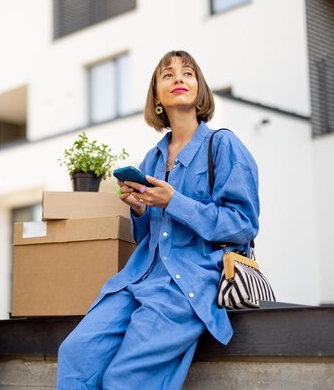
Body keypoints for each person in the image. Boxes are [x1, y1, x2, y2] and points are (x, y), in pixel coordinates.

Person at [56, 50, 260, 389]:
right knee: (75, 354)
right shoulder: (152, 158)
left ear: (200, 89)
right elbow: (151, 237)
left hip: (189, 283)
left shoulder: (223, 145)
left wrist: (174, 202)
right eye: (167, 75)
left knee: (124, 379)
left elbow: (243, 224)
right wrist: (139, 209)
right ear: (157, 97)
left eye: (188, 73)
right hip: (138, 280)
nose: (179, 78)